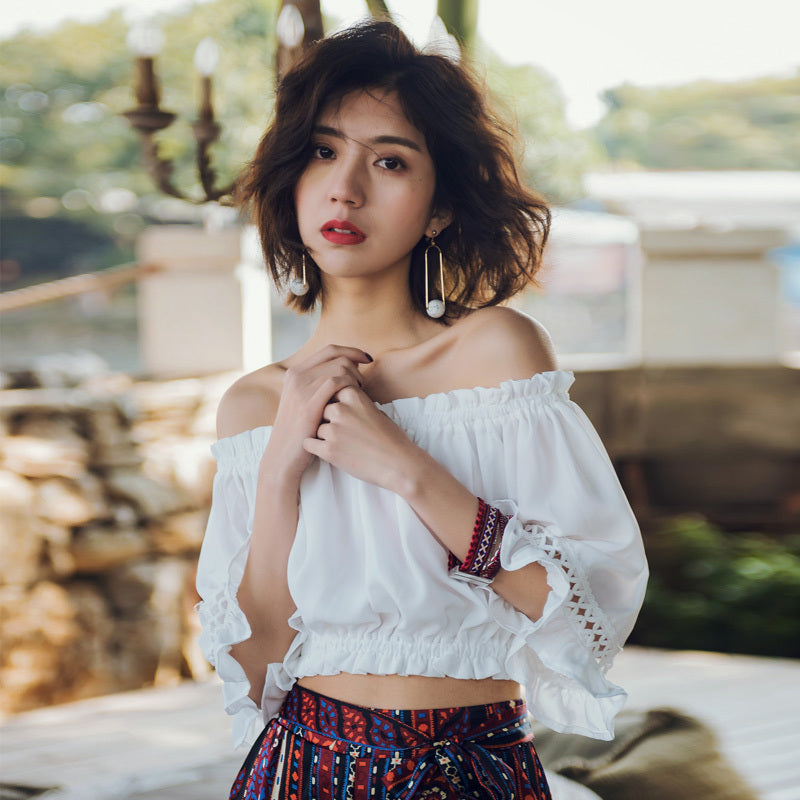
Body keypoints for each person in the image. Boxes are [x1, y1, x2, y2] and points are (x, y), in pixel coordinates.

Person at [196, 19, 648, 800]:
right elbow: (258, 663)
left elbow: (588, 613)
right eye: (323, 152)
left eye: (392, 161)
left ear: (439, 208)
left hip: (475, 766)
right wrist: (280, 470)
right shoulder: (254, 405)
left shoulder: (497, 356)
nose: (347, 187)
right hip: (304, 768)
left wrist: (409, 471)